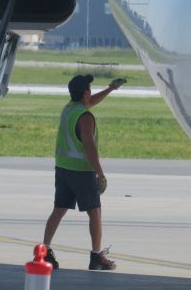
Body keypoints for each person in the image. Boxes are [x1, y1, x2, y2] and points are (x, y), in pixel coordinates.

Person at [42, 74, 126, 271]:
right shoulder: (85, 117)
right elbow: (89, 147)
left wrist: (110, 89)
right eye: (89, 88)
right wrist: (101, 174)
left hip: (63, 169)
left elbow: (89, 102)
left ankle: (44, 249)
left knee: (59, 210)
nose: (90, 91)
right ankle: (97, 256)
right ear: (85, 92)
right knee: (95, 213)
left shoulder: (70, 109)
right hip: (81, 172)